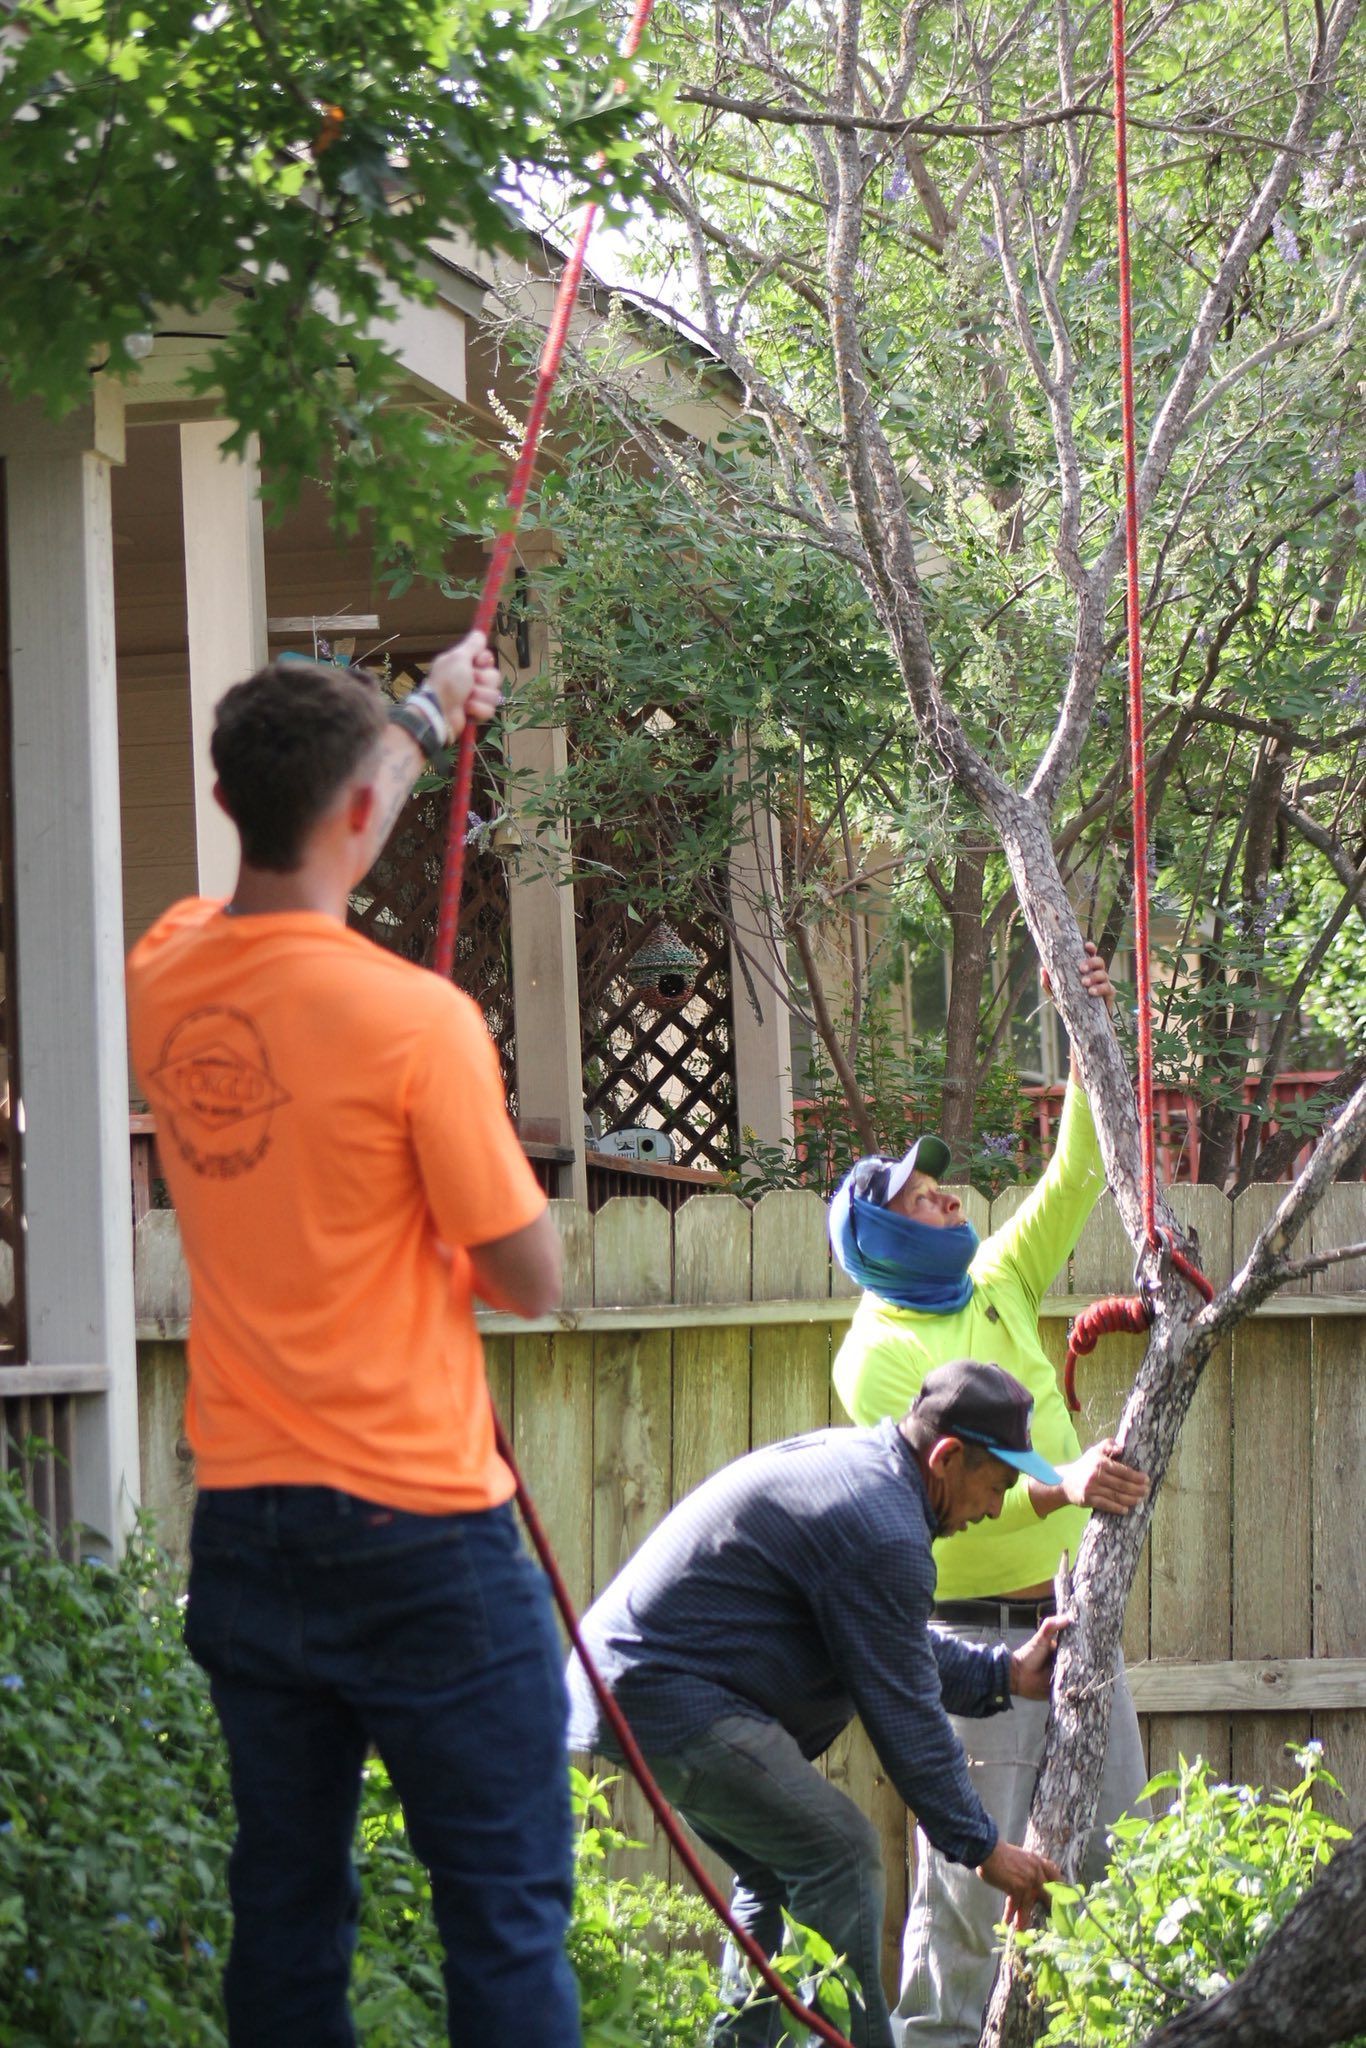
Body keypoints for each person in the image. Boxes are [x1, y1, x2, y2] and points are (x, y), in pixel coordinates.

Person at [126, 637, 581, 2048]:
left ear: (223, 798)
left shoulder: (165, 970)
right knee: (502, 1916)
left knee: (285, 1909)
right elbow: (531, 1280)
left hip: (249, 1529)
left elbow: (321, 831)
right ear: (364, 811)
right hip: (420, 1533)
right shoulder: (417, 1022)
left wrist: (428, 712)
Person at [830, 942, 1151, 2048]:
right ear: (876, 1234)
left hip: (1075, 1623)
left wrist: (1084, 1027)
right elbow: (945, 1509)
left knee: (1114, 1862)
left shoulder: (996, 1278)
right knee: (966, 1910)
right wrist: (1062, 1485)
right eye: (924, 1198)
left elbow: (1076, 1174)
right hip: (969, 1644)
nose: (949, 1196)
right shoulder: (877, 1356)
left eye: (942, 1186)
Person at [567, 1359, 1072, 2048]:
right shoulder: (884, 1525)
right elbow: (909, 1722)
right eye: (997, 1486)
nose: (992, 1508)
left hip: (633, 1684)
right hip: (667, 1691)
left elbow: (888, 1644)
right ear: (948, 1457)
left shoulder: (871, 1481)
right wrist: (983, 1849)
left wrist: (1002, 1674)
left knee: (781, 1870)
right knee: (842, 1854)